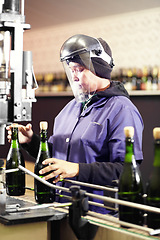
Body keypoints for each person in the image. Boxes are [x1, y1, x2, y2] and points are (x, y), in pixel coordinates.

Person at [6, 34, 144, 214]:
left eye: (79, 69)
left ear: (99, 68)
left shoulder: (122, 110)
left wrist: (77, 169)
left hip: (97, 213)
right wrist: (30, 141)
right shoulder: (70, 108)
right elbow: (56, 155)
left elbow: (125, 170)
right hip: (59, 206)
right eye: (71, 70)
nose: (74, 77)